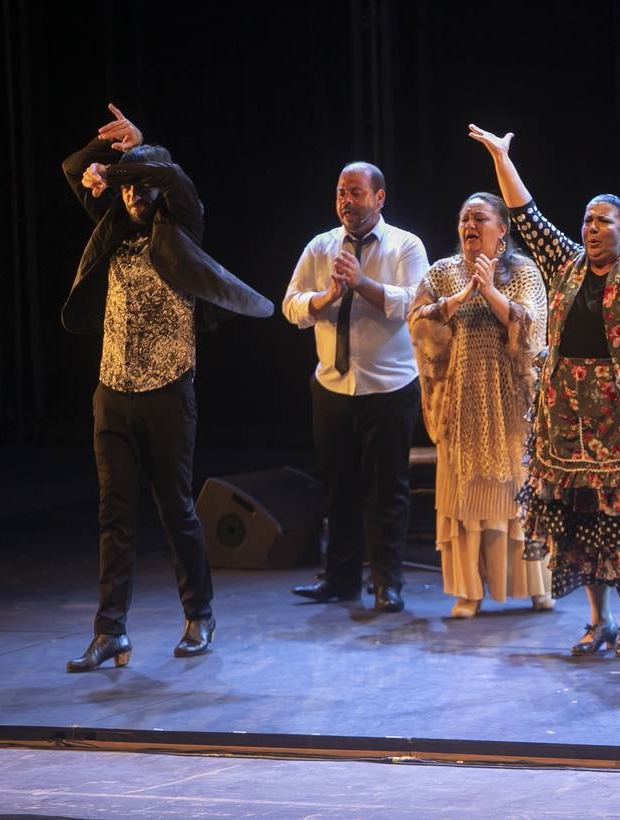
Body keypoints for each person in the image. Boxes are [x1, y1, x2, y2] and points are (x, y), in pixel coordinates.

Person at [468, 123, 620, 657]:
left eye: (603, 221)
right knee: (581, 521)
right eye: (587, 219)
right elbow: (526, 217)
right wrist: (501, 157)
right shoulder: (565, 265)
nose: (591, 227)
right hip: (568, 418)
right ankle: (597, 620)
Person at [61, 104, 274, 672]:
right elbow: (73, 166)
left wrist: (135, 155)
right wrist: (108, 158)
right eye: (124, 189)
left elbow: (173, 178)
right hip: (113, 390)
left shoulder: (180, 227)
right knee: (114, 515)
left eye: (138, 187)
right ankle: (111, 632)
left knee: (176, 509)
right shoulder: (110, 229)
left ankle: (199, 616)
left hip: (167, 390)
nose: (130, 197)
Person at [283, 161, 428, 610]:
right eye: (341, 192)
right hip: (332, 386)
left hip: (388, 387)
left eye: (357, 192)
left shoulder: (405, 245)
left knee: (387, 491)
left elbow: (414, 301)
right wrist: (325, 297)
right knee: (338, 489)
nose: (347, 201)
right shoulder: (320, 247)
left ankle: (388, 583)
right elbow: (290, 305)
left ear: (379, 198)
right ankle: (340, 579)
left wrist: (362, 283)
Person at [408, 193, 552, 618]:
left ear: (501, 229)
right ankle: (468, 591)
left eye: (480, 217)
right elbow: (417, 324)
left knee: (517, 494)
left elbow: (533, 327)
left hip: (510, 401)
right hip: (460, 400)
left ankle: (537, 586)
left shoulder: (523, 272)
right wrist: (457, 300)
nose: (470, 225)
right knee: (464, 497)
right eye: (464, 218)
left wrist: (489, 292)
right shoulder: (442, 273)